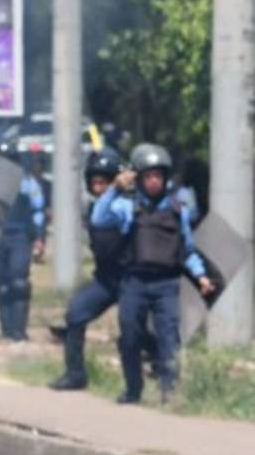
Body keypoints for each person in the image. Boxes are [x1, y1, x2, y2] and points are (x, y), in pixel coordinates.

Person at [91, 143, 214, 405]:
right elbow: (98, 219)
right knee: (130, 335)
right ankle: (133, 388)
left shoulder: (178, 211)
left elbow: (187, 250)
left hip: (166, 283)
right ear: (139, 178)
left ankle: (169, 391)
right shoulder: (128, 208)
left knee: (169, 337)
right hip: (134, 282)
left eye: (158, 175)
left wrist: (201, 276)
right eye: (148, 176)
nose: (154, 181)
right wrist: (115, 188)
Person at [0, 142, 46, 341]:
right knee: (2, 285)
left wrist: (39, 237)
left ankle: (19, 330)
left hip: (20, 236)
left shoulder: (27, 183)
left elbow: (38, 210)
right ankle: (6, 329)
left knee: (19, 282)